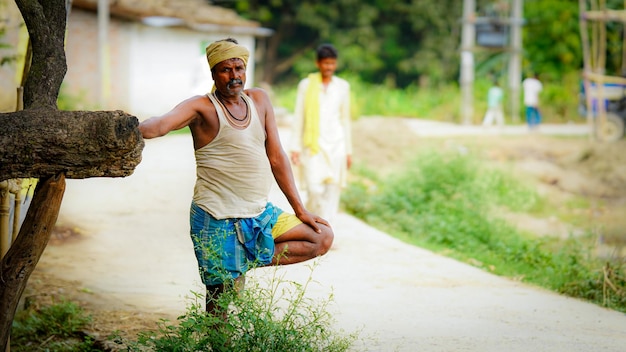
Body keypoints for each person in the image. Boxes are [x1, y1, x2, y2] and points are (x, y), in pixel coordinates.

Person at [138, 38, 334, 316]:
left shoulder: (260, 100)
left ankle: (240, 261)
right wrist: (121, 126)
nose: (234, 76)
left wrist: (300, 210)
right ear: (213, 74)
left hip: (258, 214)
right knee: (219, 305)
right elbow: (158, 126)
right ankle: (218, 339)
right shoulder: (201, 107)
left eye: (239, 68)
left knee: (321, 237)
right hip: (216, 217)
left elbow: (277, 157)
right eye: (225, 70)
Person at [289, 44, 352, 224]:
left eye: (332, 63)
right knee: (314, 189)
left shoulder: (342, 87)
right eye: (325, 63)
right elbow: (299, 116)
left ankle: (327, 230)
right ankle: (314, 223)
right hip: (313, 145)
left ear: (336, 64)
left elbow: (345, 119)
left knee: (332, 189)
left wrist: (348, 151)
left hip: (337, 145)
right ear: (318, 63)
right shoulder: (306, 85)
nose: (329, 67)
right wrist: (295, 147)